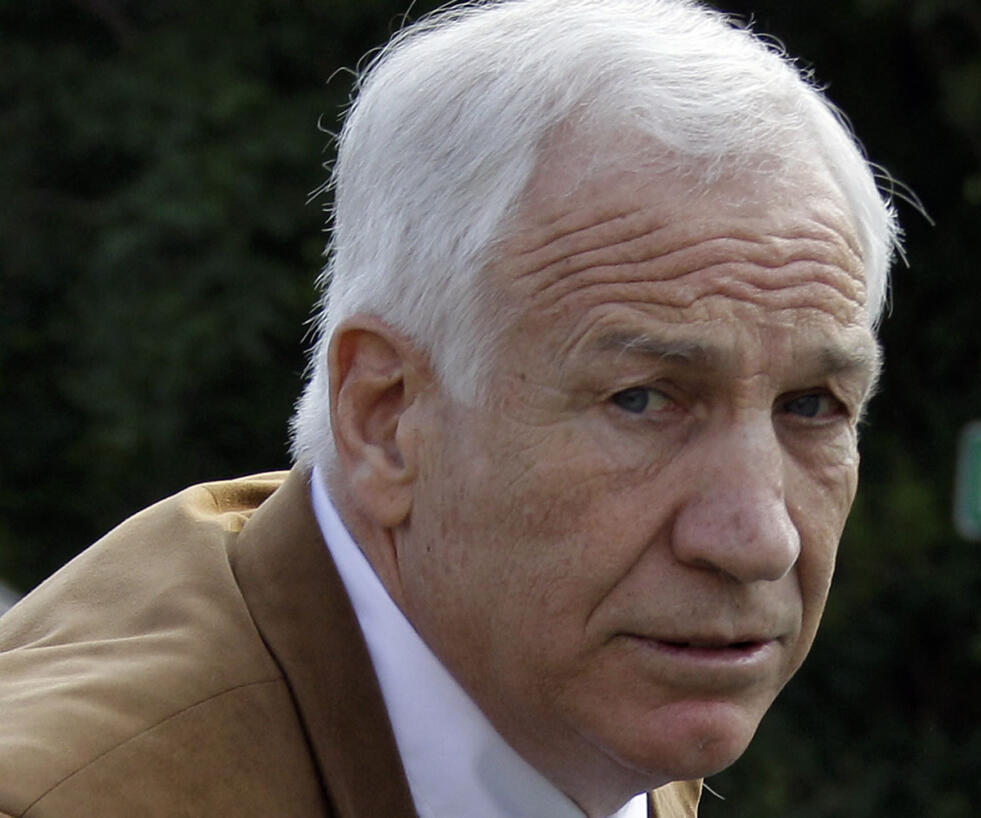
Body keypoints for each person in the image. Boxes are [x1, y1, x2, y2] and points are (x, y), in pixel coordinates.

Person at [0, 0, 899, 815]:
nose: (757, 538)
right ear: (386, 418)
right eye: (643, 399)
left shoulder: (572, 697)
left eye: (813, 406)